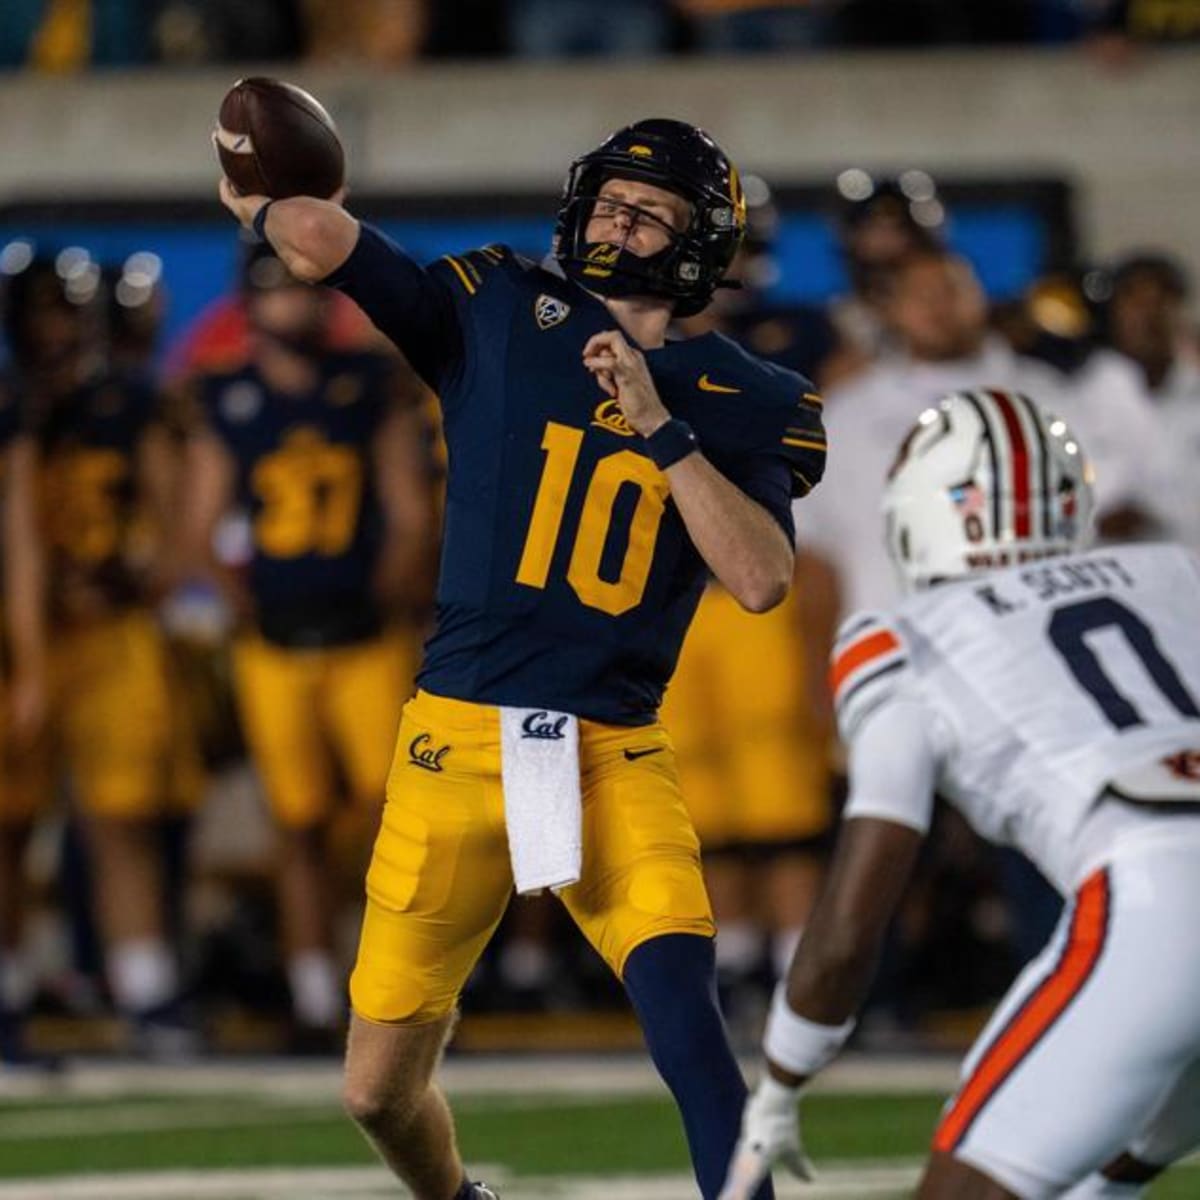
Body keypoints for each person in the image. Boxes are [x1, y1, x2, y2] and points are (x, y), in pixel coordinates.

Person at [219, 115, 827, 1200]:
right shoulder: (498, 306)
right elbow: (322, 239)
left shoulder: (751, 396)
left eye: (650, 212)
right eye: (610, 199)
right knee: (375, 1092)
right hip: (453, 741)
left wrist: (661, 424)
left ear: (701, 247)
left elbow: (760, 578)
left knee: (687, 1019)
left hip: (610, 751)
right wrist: (250, 176)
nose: (616, 221)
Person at [722, 389, 1200, 1200]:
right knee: (1109, 1175)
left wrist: (782, 1080)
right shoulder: (1175, 569)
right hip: (1158, 923)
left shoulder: (904, 638)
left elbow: (851, 918)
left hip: (1157, 904)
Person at [178, 241, 437, 1049]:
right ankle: (314, 993)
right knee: (295, 824)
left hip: (363, 635)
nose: (297, 305)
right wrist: (240, 604)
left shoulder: (370, 386)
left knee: (391, 817)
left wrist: (385, 600)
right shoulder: (226, 398)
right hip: (277, 641)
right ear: (251, 305)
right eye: (280, 292)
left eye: (306, 291)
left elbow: (409, 514)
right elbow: (199, 521)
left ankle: (396, 986)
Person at [0, 247, 203, 1055]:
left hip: (109, 631)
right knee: (8, 825)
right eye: (40, 313)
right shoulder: (15, 408)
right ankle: (11, 990)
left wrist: (134, 580)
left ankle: (144, 987)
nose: (54, 331)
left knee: (123, 815)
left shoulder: (127, 402)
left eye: (66, 313)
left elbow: (170, 516)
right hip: (23, 635)